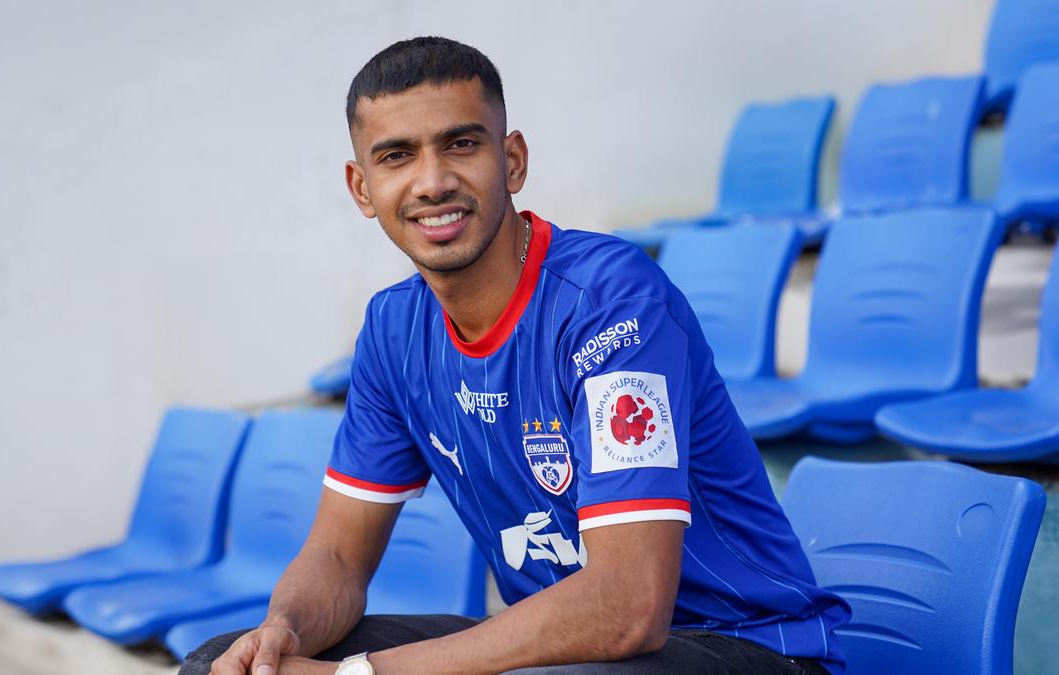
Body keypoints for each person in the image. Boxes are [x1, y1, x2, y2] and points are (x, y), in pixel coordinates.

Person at [182, 36, 850, 675]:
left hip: (748, 645)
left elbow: (628, 605)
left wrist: (358, 671)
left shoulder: (611, 302)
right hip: (573, 652)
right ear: (362, 188)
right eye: (397, 156)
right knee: (224, 660)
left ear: (512, 161)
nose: (432, 182)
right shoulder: (393, 330)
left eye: (461, 144)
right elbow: (337, 556)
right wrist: (282, 632)